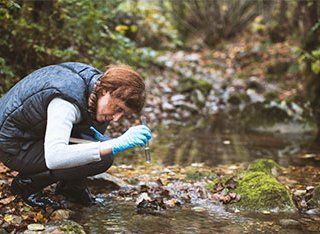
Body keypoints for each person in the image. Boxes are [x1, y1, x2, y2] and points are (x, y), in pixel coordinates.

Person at [0, 62, 151, 209]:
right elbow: (55, 157)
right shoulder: (66, 102)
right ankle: (27, 184)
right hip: (13, 144)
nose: (116, 118)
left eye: (123, 113)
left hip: (34, 133)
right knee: (104, 156)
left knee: (100, 141)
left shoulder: (96, 88)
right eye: (118, 108)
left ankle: (70, 187)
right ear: (106, 91)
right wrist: (115, 144)